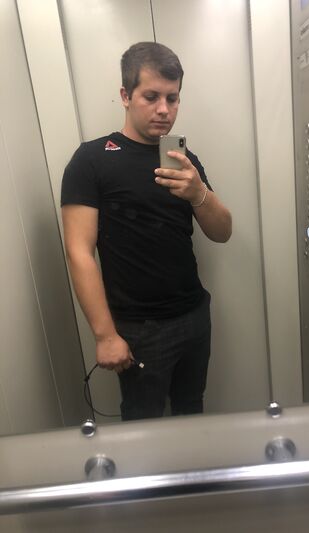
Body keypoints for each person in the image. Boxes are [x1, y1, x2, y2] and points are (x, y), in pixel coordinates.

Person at [61, 42, 232, 420]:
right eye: (151, 97)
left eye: (173, 98)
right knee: (143, 423)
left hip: (193, 314)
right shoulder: (91, 160)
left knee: (192, 410)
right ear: (125, 95)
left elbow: (222, 232)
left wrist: (198, 193)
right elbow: (78, 252)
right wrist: (105, 335)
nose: (164, 109)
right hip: (138, 329)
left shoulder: (184, 161)